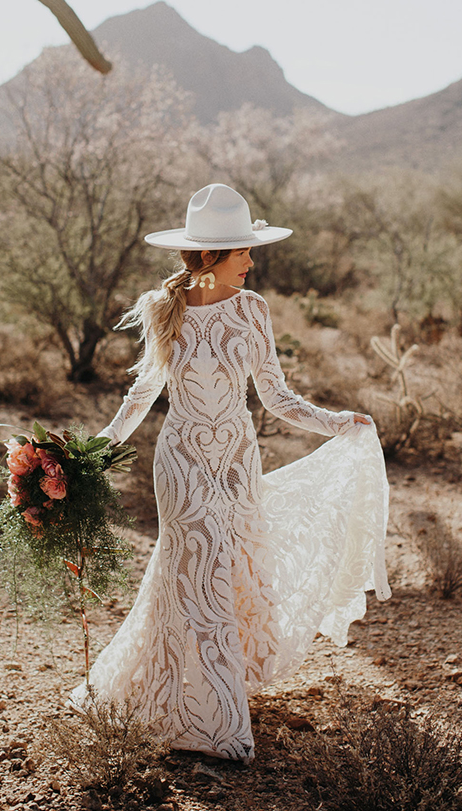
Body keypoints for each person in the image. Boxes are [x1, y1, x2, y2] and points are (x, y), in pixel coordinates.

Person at [71, 184, 390, 763]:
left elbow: (276, 398)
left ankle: (180, 695)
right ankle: (214, 726)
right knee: (200, 575)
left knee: (220, 571)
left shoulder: (253, 310)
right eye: (244, 250)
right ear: (212, 255)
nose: (252, 259)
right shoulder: (163, 308)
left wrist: (336, 420)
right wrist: (95, 450)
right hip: (182, 465)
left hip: (239, 465)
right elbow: (143, 392)